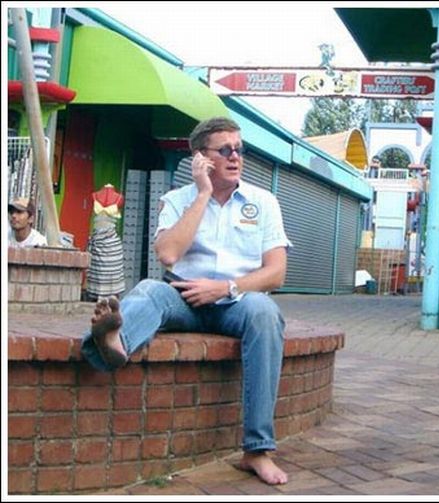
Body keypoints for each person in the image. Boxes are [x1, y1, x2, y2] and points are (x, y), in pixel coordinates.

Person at [80, 117, 291, 485]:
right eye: (224, 150)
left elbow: (276, 273)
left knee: (266, 313)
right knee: (150, 290)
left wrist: (225, 288)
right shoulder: (177, 200)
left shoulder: (264, 202)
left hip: (237, 303)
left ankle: (257, 450)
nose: (235, 156)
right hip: (182, 298)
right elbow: (168, 255)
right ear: (200, 158)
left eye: (239, 149)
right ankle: (114, 343)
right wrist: (203, 195)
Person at [85, 184, 126, 302]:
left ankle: (111, 304)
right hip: (97, 241)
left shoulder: (119, 198)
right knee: (96, 273)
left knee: (112, 277)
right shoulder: (95, 195)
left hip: (112, 243)